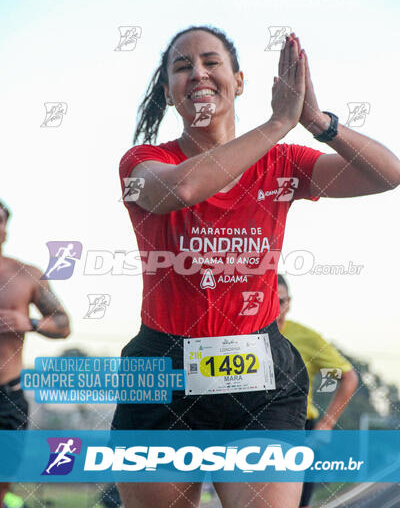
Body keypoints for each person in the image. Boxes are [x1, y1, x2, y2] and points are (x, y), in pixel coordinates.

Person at [112, 26, 400, 508]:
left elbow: (386, 175)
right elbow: (179, 192)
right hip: (161, 372)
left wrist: (316, 121)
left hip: (261, 380)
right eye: (182, 67)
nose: (198, 73)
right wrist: (276, 124)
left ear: (239, 80)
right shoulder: (142, 162)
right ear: (168, 91)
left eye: (210, 61)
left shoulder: (283, 161)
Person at [0, 201, 70, 505]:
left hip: (8, 393)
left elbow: (63, 324)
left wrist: (27, 321)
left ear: (5, 230)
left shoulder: (26, 275)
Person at [277, 274, 359, 508]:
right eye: (268, 301)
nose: (276, 308)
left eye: (281, 302)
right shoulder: (245, 335)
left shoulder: (306, 337)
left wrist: (327, 422)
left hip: (300, 430)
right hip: (253, 429)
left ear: (289, 303)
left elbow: (346, 375)